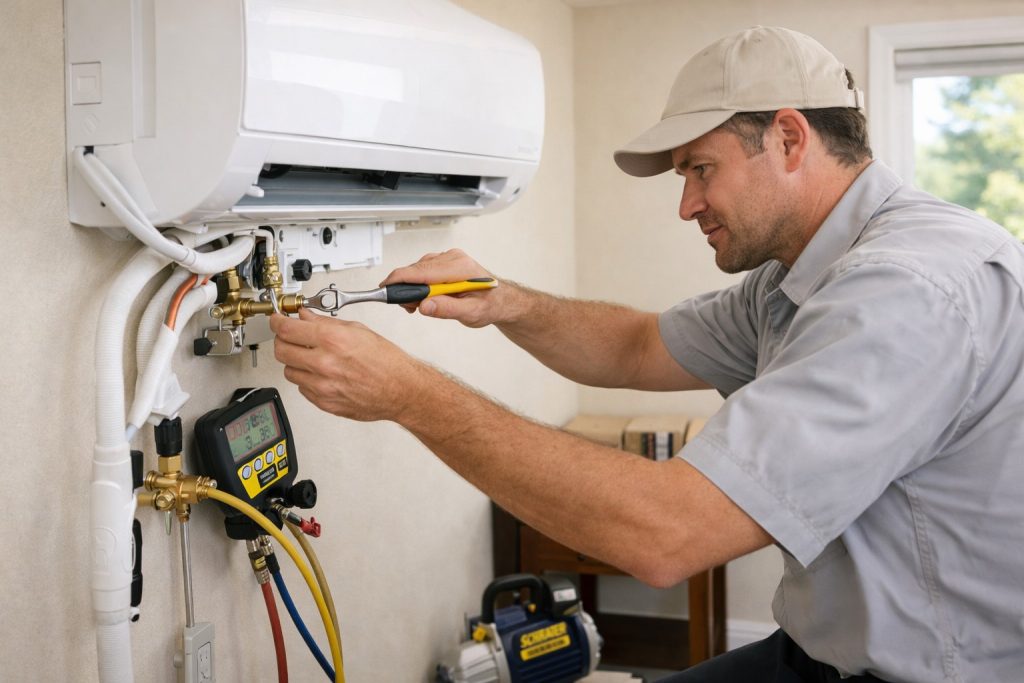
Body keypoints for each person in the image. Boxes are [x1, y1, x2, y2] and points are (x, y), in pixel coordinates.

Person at [270, 26, 1024, 683]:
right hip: (819, 654)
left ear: (790, 140)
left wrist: (408, 394)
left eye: (701, 169)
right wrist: (502, 300)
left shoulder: (905, 293)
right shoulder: (792, 277)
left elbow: (666, 534)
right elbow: (638, 347)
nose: (687, 204)